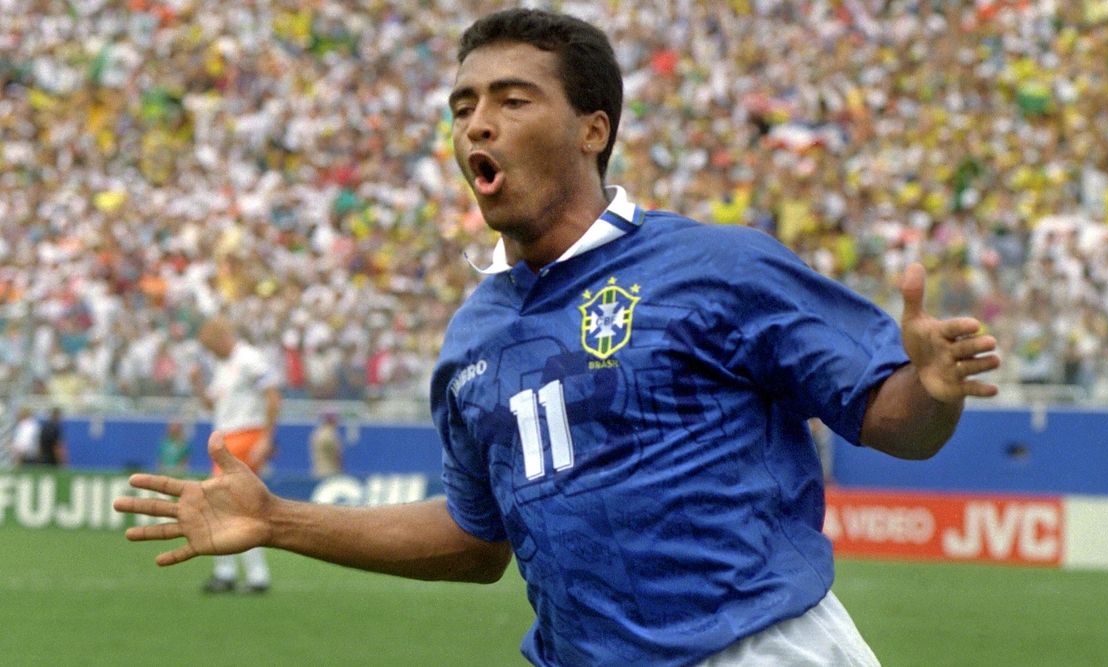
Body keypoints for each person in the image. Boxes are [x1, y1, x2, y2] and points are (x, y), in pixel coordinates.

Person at [115, 9, 1000, 665]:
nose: (477, 124)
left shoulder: (713, 266)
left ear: (592, 128)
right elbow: (476, 541)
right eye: (463, 106)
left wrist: (930, 387)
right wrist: (279, 520)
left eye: (510, 99)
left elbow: (894, 423)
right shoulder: (472, 339)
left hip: (757, 648)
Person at [189, 315, 282, 594]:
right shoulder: (224, 366)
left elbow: (273, 395)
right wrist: (197, 384)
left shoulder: (249, 359)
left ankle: (233, 573)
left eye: (210, 347)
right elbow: (211, 405)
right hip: (227, 438)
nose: (209, 353)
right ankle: (250, 575)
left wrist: (266, 437)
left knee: (220, 502)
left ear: (221, 338)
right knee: (236, 507)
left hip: (245, 436)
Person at [308, 411, 343, 478]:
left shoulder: (316, 433)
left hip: (317, 471)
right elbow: (336, 456)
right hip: (329, 472)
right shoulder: (329, 435)